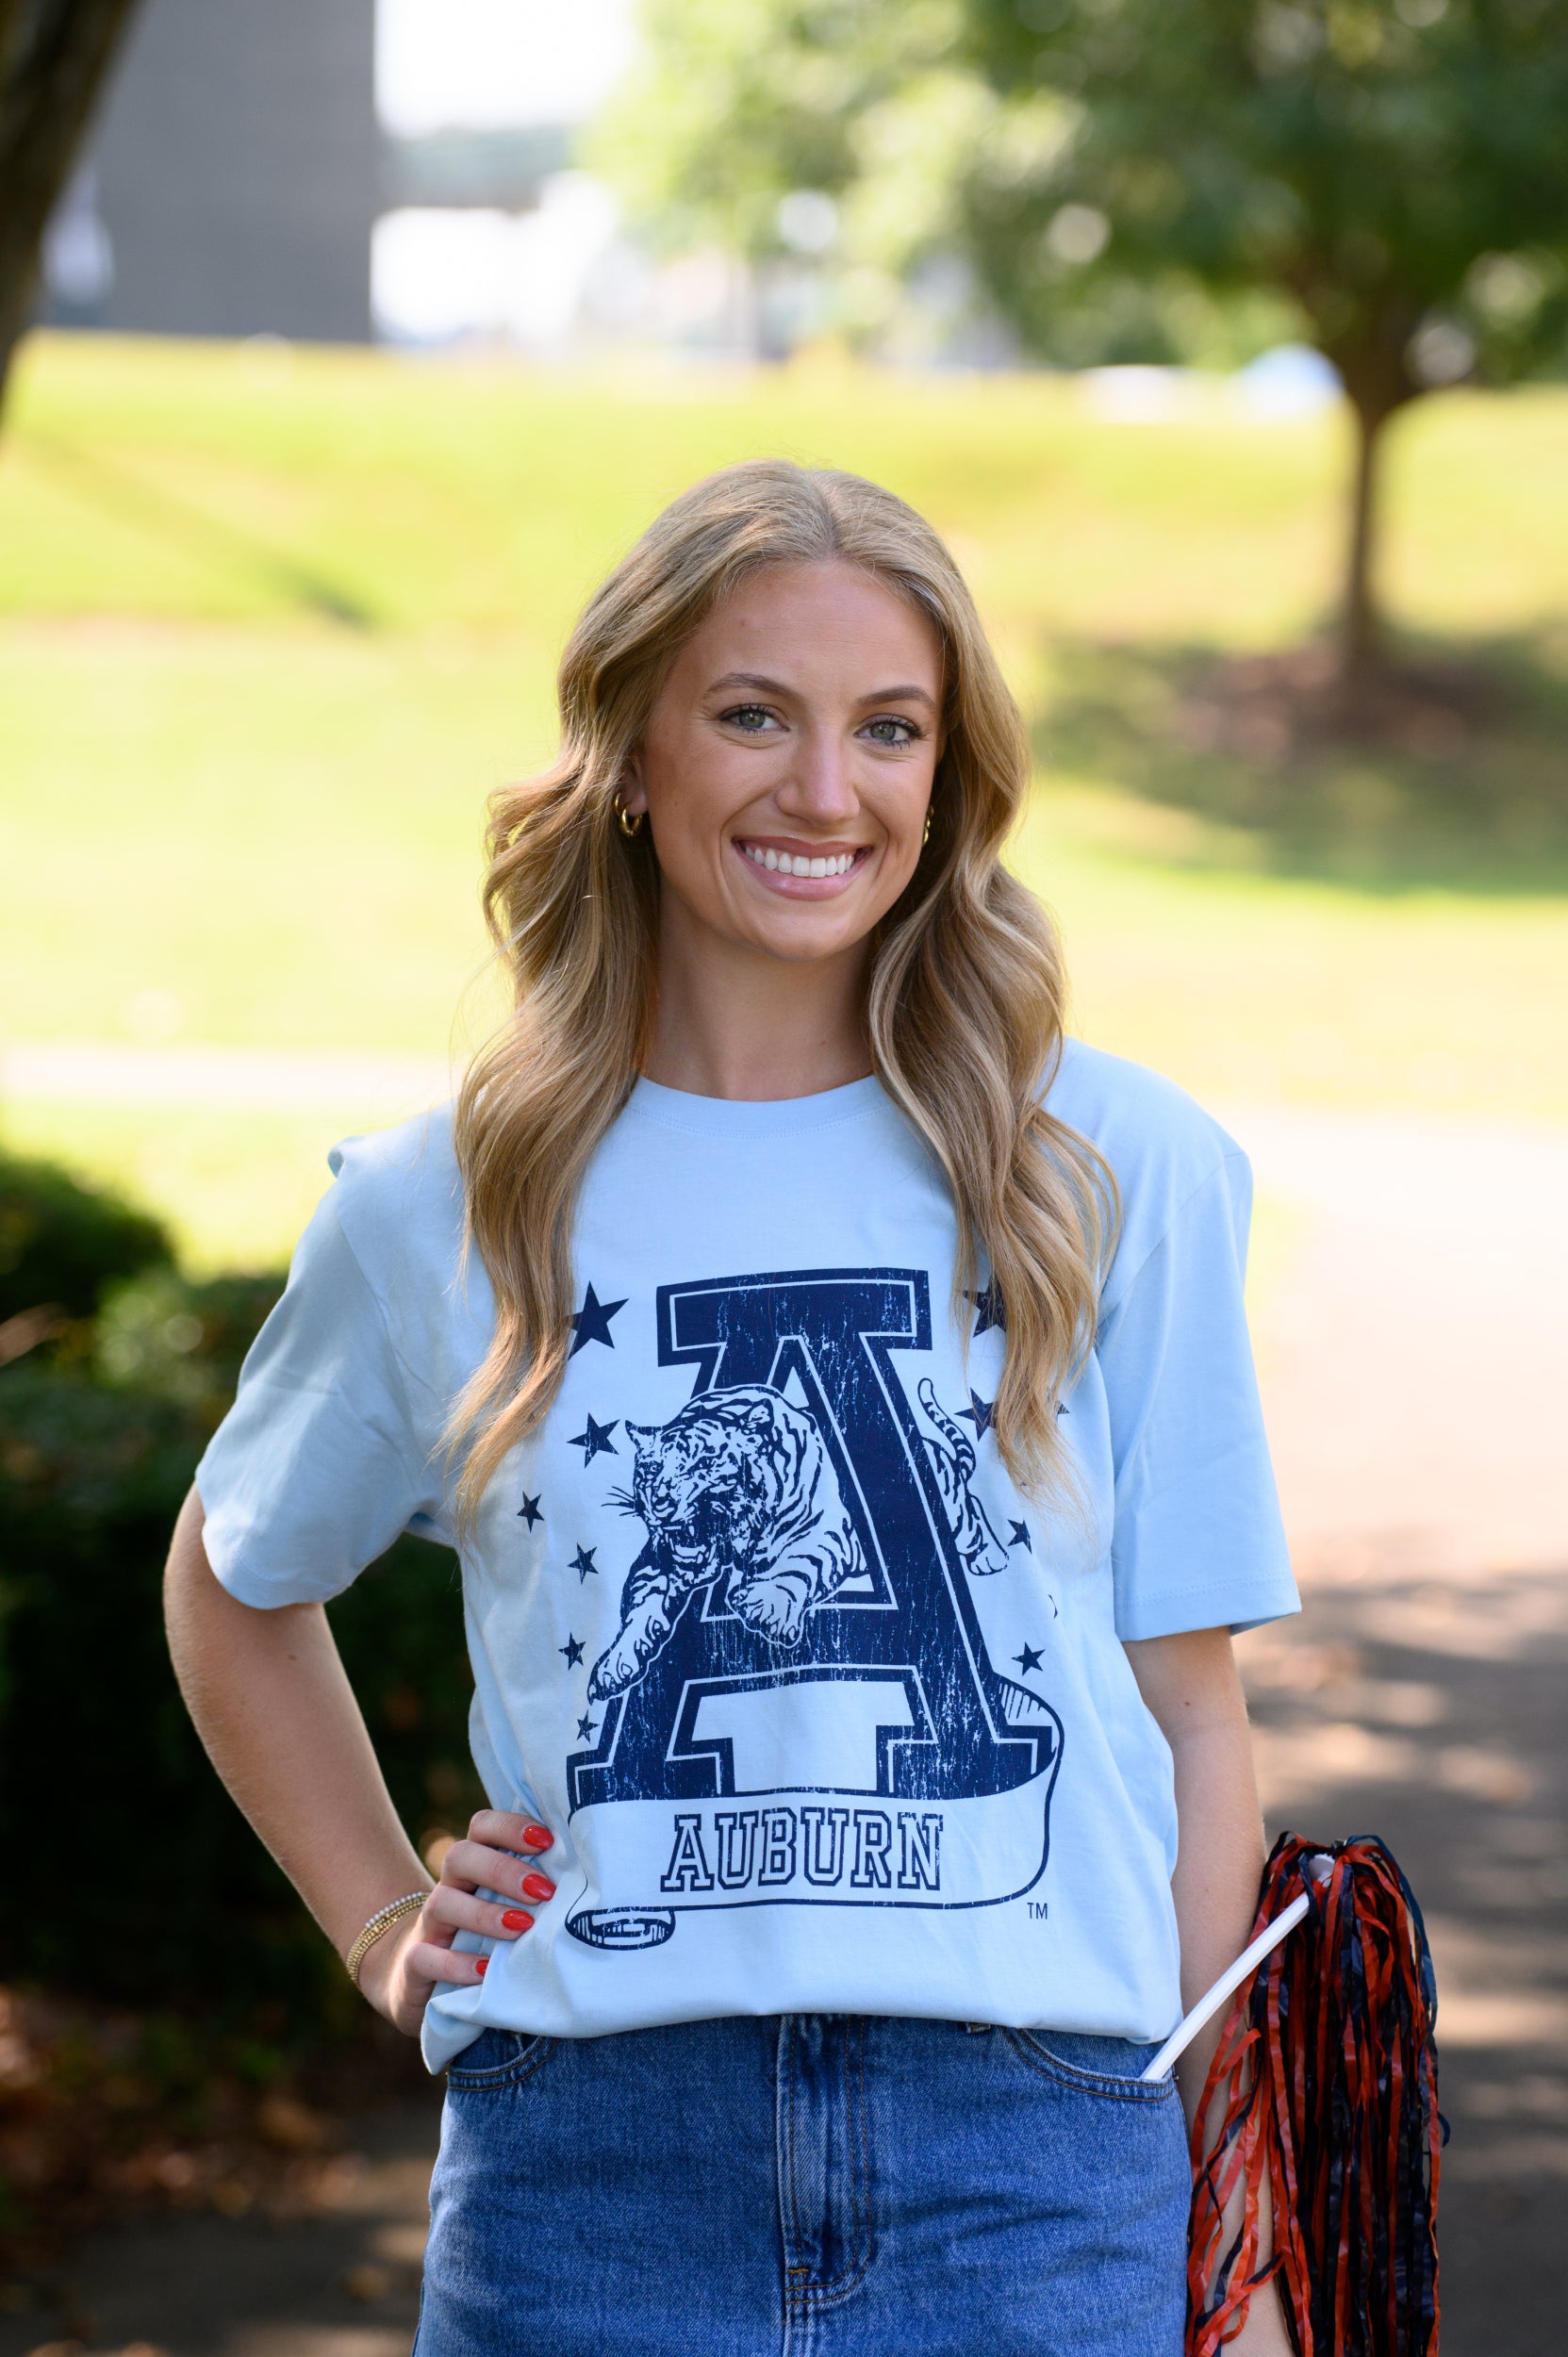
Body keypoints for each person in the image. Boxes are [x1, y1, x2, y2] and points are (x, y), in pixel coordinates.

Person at [166, 460, 1299, 2355]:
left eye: (890, 729)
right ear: (632, 750)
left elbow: (1191, 1715)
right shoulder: (440, 1203)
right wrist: (379, 1926)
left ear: (949, 776)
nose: (825, 790)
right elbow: (233, 1576)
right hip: (586, 2176)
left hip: (1031, 2174)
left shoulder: (1113, 1165)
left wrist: (1238, 2231)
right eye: (754, 715)